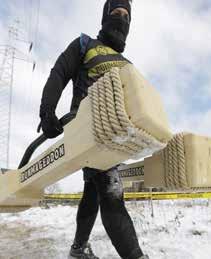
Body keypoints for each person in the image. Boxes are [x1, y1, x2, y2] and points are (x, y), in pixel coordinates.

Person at [39, 1, 148, 258]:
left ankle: (78, 249)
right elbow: (59, 73)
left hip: (117, 135)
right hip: (87, 129)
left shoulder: (127, 64)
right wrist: (47, 112)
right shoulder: (84, 44)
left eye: (125, 16)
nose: (121, 19)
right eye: (115, 13)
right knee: (111, 192)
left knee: (94, 190)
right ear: (105, 16)